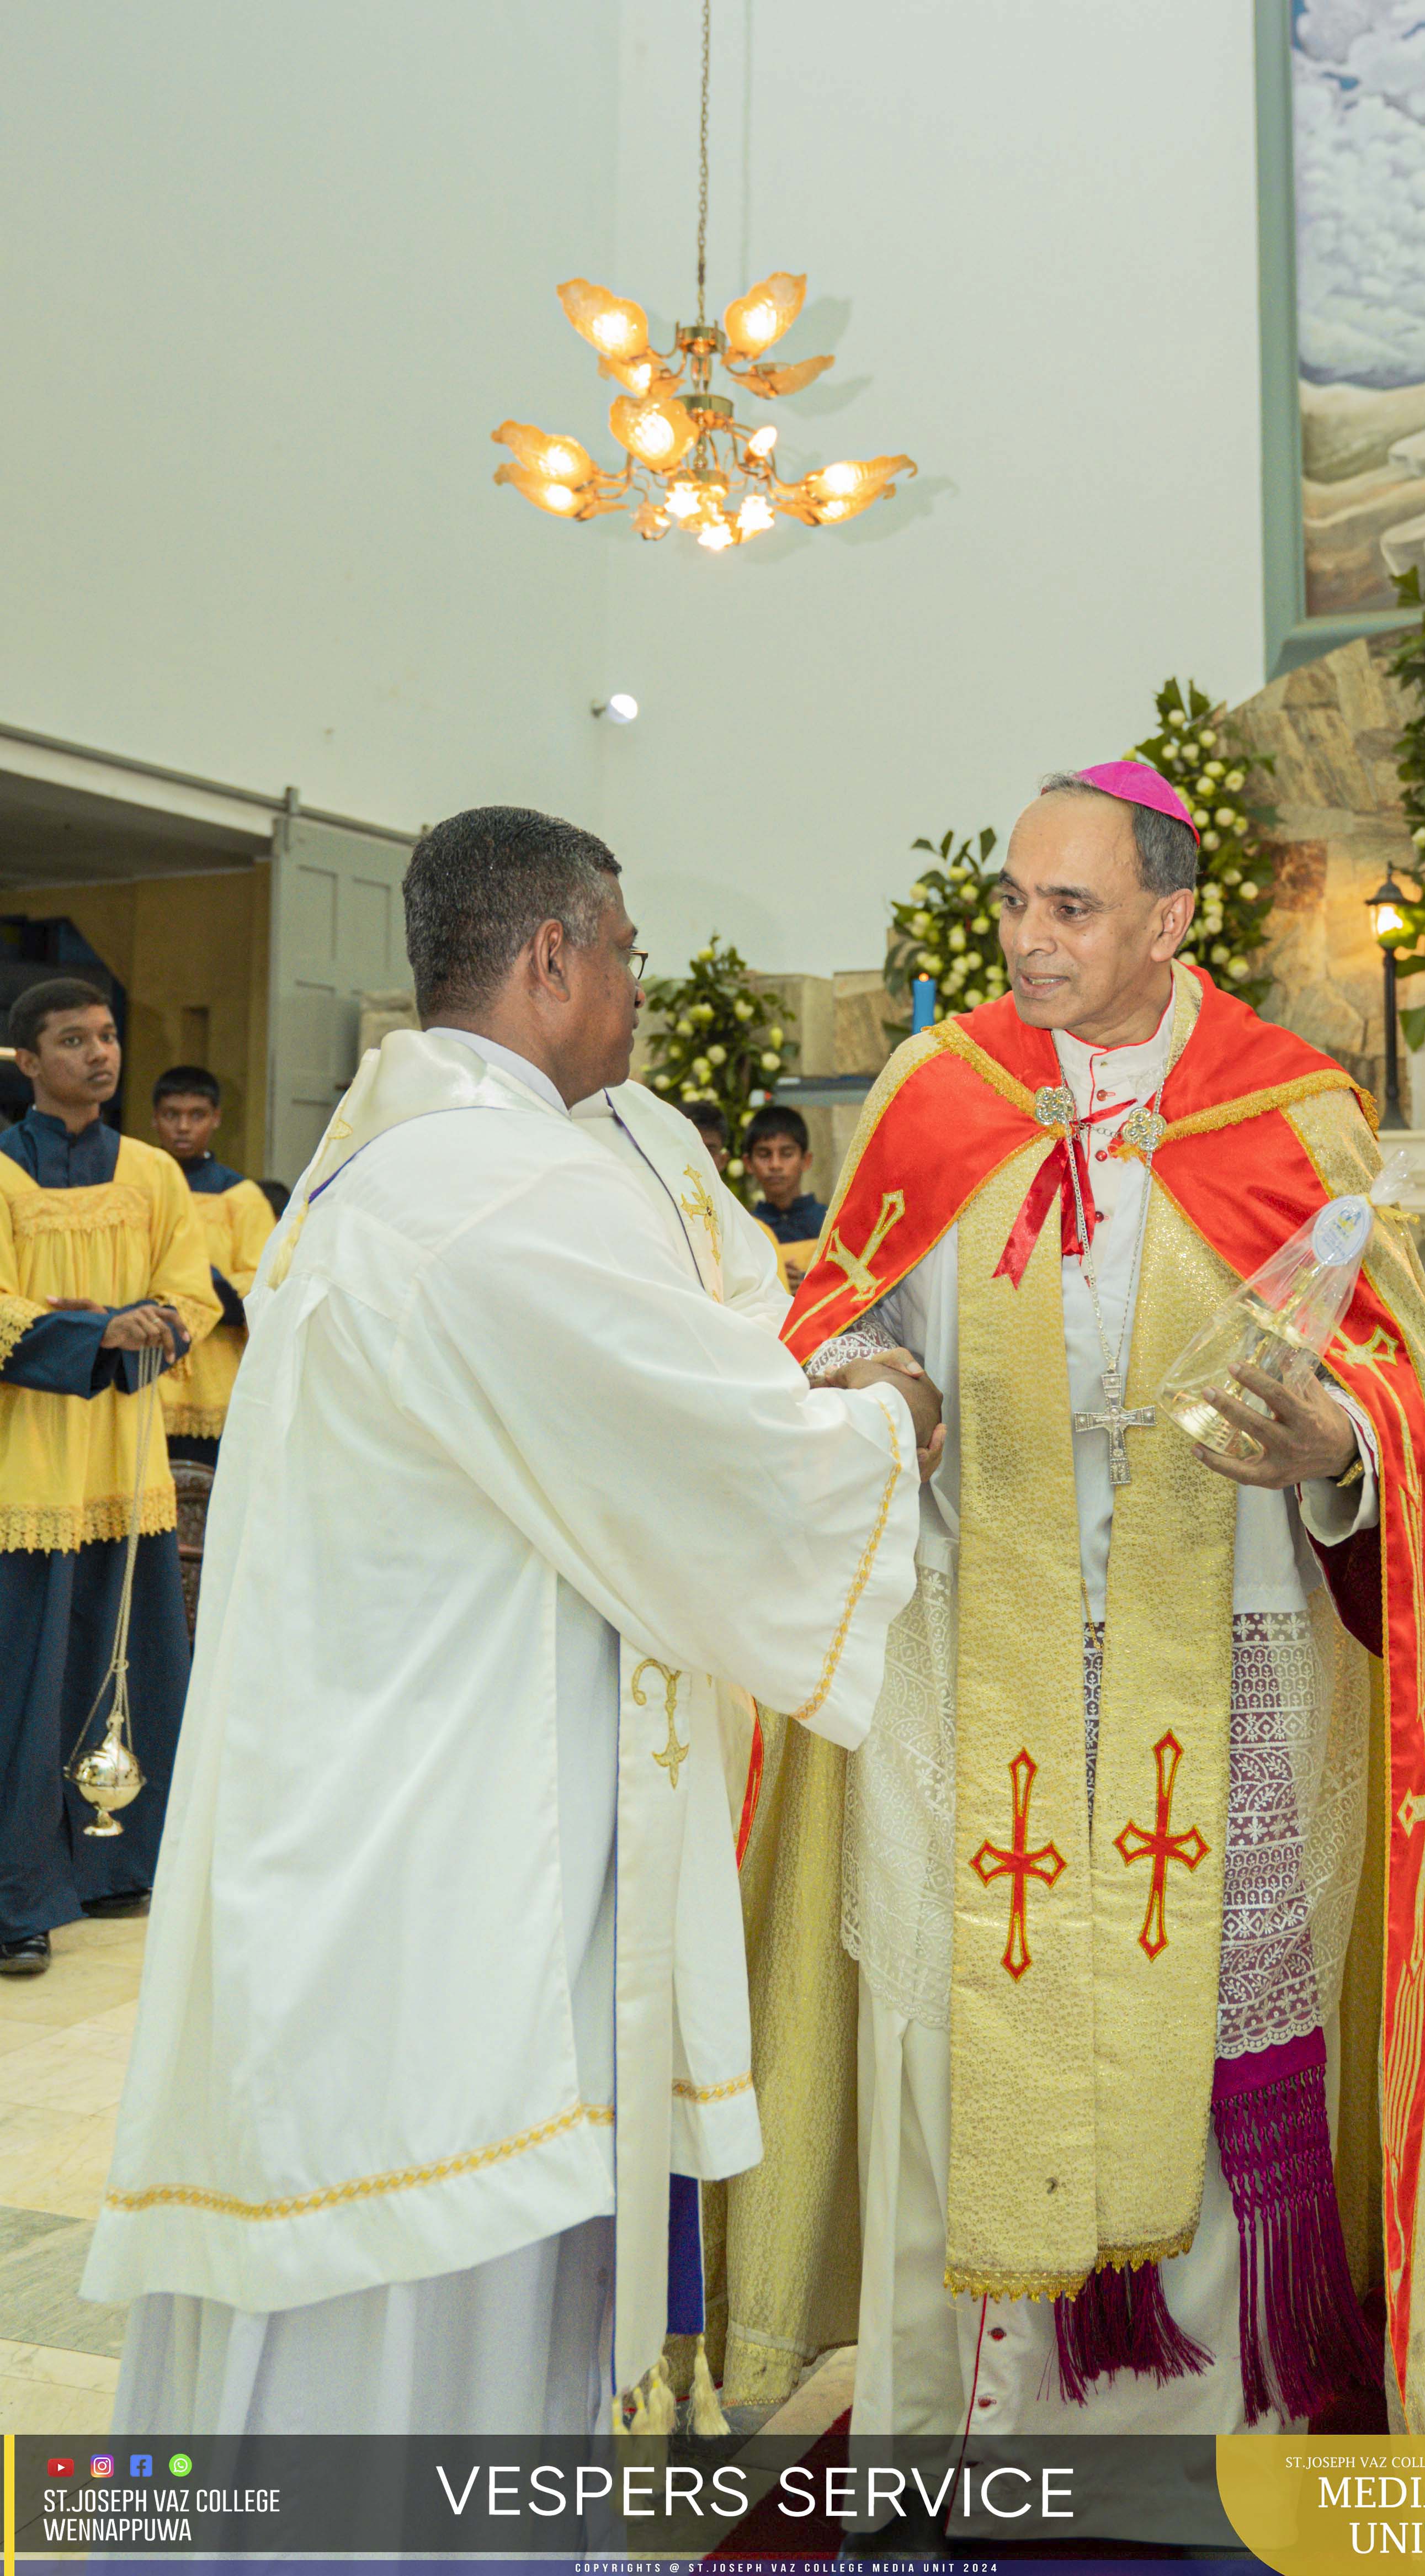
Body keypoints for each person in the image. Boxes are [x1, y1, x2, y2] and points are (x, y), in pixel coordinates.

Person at [717, 762, 1425, 2488]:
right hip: (976, 1637)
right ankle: (962, 2426)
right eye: (1016, 903)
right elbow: (831, 1296)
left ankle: (1201, 2434)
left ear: (1169, 917)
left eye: (1070, 907)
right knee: (973, 1987)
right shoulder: (934, 1087)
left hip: (1229, 1637)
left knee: (1220, 2001)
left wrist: (1335, 1441)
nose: (1026, 940)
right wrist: (859, 1363)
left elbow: (1387, 1382)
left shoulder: (1289, 1109)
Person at [84, 806, 937, 2437]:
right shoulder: (498, 1191)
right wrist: (885, 1414)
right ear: (553, 954)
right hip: (440, 1853)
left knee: (381, 2264)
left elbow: (627, 1401)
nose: (634, 991)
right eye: (624, 954)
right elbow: (709, 1455)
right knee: (419, 2291)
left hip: (376, 1803)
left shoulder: (393, 1166)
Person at [0, 982, 217, 1976]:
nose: (100, 1054)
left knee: (127, 1665)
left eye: (109, 1035)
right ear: (27, 1061)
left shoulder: (151, 1175)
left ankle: (112, 1859)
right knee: (23, 1684)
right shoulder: (3, 1172)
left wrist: (144, 1323)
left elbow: (190, 1290)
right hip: (30, 1470)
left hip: (125, 1465)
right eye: (73, 1040)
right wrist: (89, 1327)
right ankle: (19, 1895)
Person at [150, 1066, 278, 1464]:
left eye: (197, 1115)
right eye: (172, 1115)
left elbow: (264, 1286)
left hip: (214, 1379)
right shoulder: (134, 1189)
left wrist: (196, 1283)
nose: (183, 1127)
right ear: (155, 1119)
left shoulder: (240, 1197)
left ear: (217, 1118)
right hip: (145, 1375)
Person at [743, 1105, 826, 1287]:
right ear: (748, 1163)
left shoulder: (830, 1223)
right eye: (764, 1155)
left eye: (786, 1154)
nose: (775, 1165)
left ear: (806, 1161)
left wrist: (808, 1282)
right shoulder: (745, 1229)